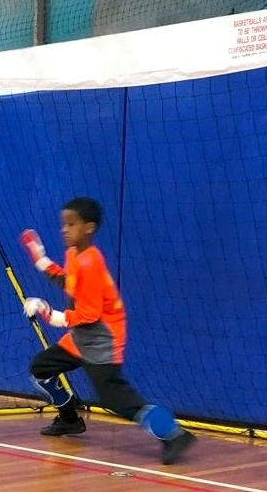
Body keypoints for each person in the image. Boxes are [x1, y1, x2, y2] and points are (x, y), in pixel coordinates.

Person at [20, 196, 195, 465]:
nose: (64, 230)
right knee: (41, 369)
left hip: (102, 338)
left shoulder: (91, 261)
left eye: (71, 224)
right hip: (81, 337)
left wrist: (47, 312)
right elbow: (70, 285)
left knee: (115, 398)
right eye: (62, 224)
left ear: (89, 228)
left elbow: (89, 314)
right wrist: (41, 260)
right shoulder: (74, 254)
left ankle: (174, 435)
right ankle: (70, 419)